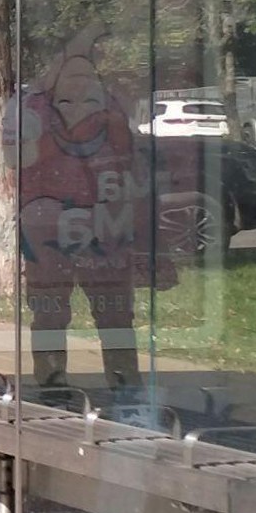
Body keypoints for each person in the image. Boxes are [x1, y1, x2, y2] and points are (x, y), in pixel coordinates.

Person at [14, 29, 164, 391]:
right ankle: (52, 382)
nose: (80, 77)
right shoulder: (35, 112)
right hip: (50, 228)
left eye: (87, 69)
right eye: (69, 68)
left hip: (105, 224)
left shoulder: (113, 111)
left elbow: (131, 165)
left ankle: (125, 383)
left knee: (114, 311)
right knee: (50, 309)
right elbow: (21, 158)